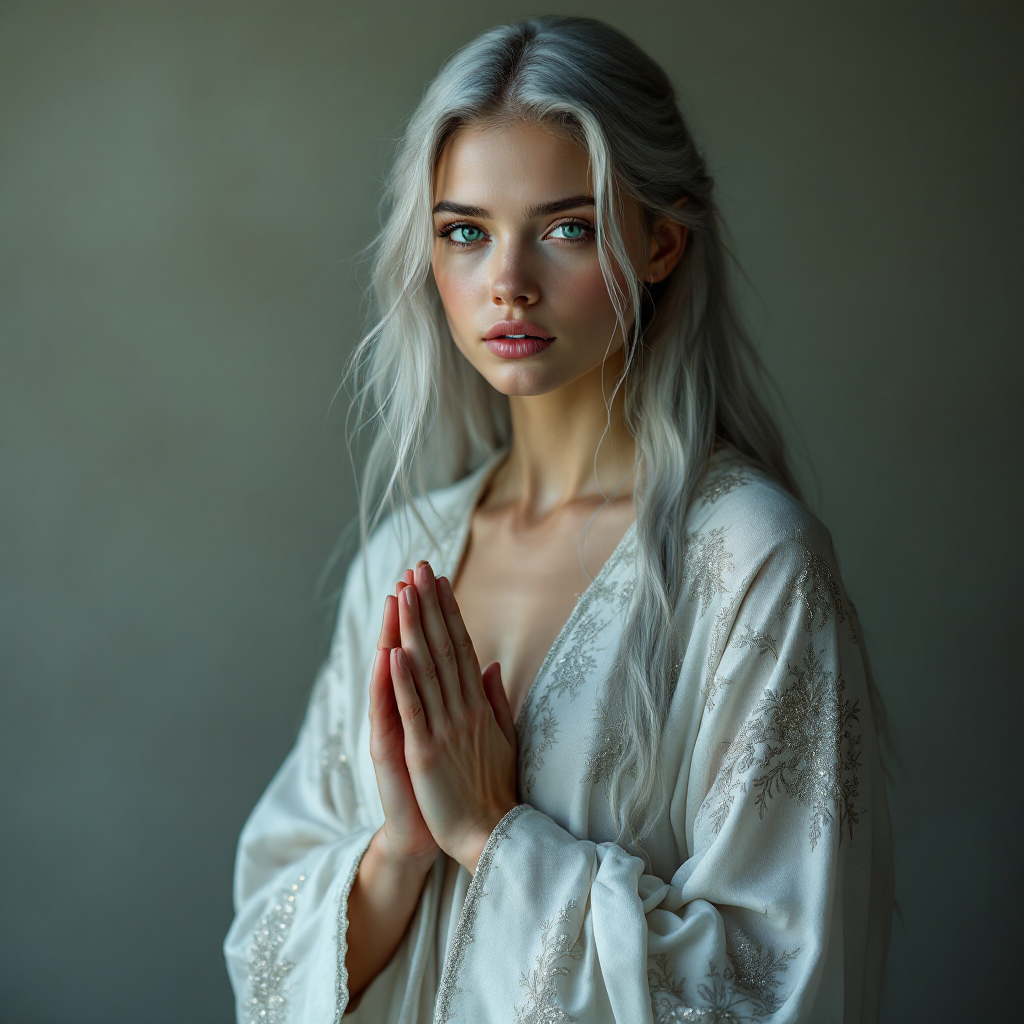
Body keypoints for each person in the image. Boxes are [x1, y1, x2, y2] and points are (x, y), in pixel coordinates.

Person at [224, 15, 893, 1023]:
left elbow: (775, 985)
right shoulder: (404, 555)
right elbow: (270, 928)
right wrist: (403, 846)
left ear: (661, 240)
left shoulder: (752, 565)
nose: (507, 282)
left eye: (565, 227)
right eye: (464, 231)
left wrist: (494, 834)